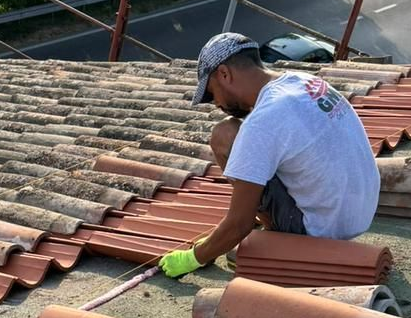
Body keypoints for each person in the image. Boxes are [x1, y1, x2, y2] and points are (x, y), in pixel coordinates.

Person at [160, 32, 380, 277]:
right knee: (250, 140)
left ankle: (276, 235)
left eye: (212, 93)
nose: (216, 104)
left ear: (224, 74)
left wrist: (194, 257)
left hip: (320, 230)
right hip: (360, 213)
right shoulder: (303, 81)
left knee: (225, 134)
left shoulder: (263, 121)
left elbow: (239, 225)